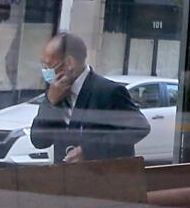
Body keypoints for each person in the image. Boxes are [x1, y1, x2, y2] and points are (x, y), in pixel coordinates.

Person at [29, 32, 148, 163]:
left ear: (69, 63)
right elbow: (39, 140)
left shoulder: (108, 91)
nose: (46, 71)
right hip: (65, 178)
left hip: (102, 176)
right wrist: (50, 102)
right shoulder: (56, 92)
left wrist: (88, 151)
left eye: (49, 66)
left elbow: (139, 127)